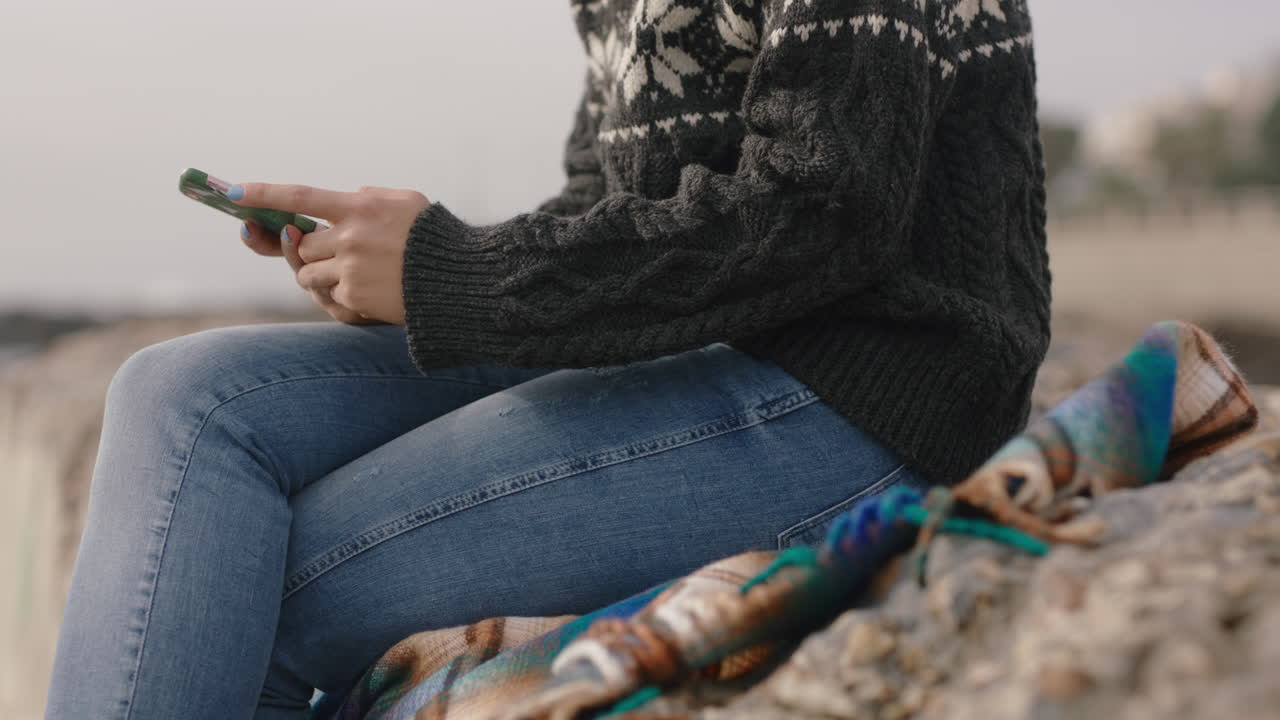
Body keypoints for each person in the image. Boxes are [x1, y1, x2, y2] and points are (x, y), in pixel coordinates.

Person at [45, 0, 1050, 717]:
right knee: (178, 393)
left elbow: (824, 204)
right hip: (679, 338)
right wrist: (398, 275)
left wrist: (460, 275)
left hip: (857, 381)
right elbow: (607, 203)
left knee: (247, 595)